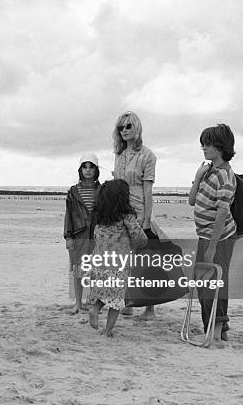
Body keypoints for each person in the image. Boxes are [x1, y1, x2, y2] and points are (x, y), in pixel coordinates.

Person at [188, 124, 237, 343]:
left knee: (213, 283)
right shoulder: (210, 171)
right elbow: (191, 201)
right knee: (205, 283)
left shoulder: (225, 176)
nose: (203, 148)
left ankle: (215, 332)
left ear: (220, 147)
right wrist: (198, 177)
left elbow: (221, 214)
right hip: (205, 236)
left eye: (207, 144)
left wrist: (213, 246)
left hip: (218, 238)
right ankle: (219, 330)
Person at [111, 111, 157, 319]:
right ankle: (127, 301)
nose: (124, 130)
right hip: (121, 209)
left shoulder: (148, 155)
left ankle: (150, 307)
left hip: (139, 209)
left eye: (128, 126)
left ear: (136, 127)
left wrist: (147, 219)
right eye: (121, 127)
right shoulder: (119, 155)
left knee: (145, 260)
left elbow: (148, 189)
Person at [87, 180, 147, 337]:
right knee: (116, 299)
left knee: (103, 292)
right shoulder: (126, 217)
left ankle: (95, 309)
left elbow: (95, 236)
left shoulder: (99, 217)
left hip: (98, 262)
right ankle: (108, 330)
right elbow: (140, 238)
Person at [64, 154, 101, 315]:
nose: (88, 170)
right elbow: (69, 215)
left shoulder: (102, 190)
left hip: (96, 237)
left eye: (91, 166)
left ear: (96, 169)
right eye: (85, 167)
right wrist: (68, 236)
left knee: (95, 272)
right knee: (78, 271)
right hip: (78, 236)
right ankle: (78, 303)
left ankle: (92, 303)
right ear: (80, 169)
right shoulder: (73, 191)